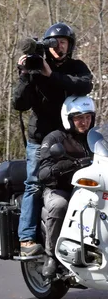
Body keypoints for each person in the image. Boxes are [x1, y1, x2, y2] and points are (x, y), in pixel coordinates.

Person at [12, 22, 93, 257]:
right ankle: (26, 239)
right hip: (40, 138)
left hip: (71, 138)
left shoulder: (76, 67)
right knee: (35, 184)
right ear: (46, 45)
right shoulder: (35, 65)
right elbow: (19, 103)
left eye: (64, 42)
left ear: (70, 45)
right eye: (54, 42)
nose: (59, 46)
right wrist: (26, 75)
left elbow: (85, 85)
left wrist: (52, 75)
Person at [38, 95, 95, 277]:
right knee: (59, 205)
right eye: (79, 118)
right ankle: (52, 256)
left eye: (88, 117)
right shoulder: (55, 138)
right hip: (60, 189)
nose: (84, 122)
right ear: (68, 118)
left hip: (89, 188)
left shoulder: (97, 138)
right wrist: (71, 165)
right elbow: (43, 173)